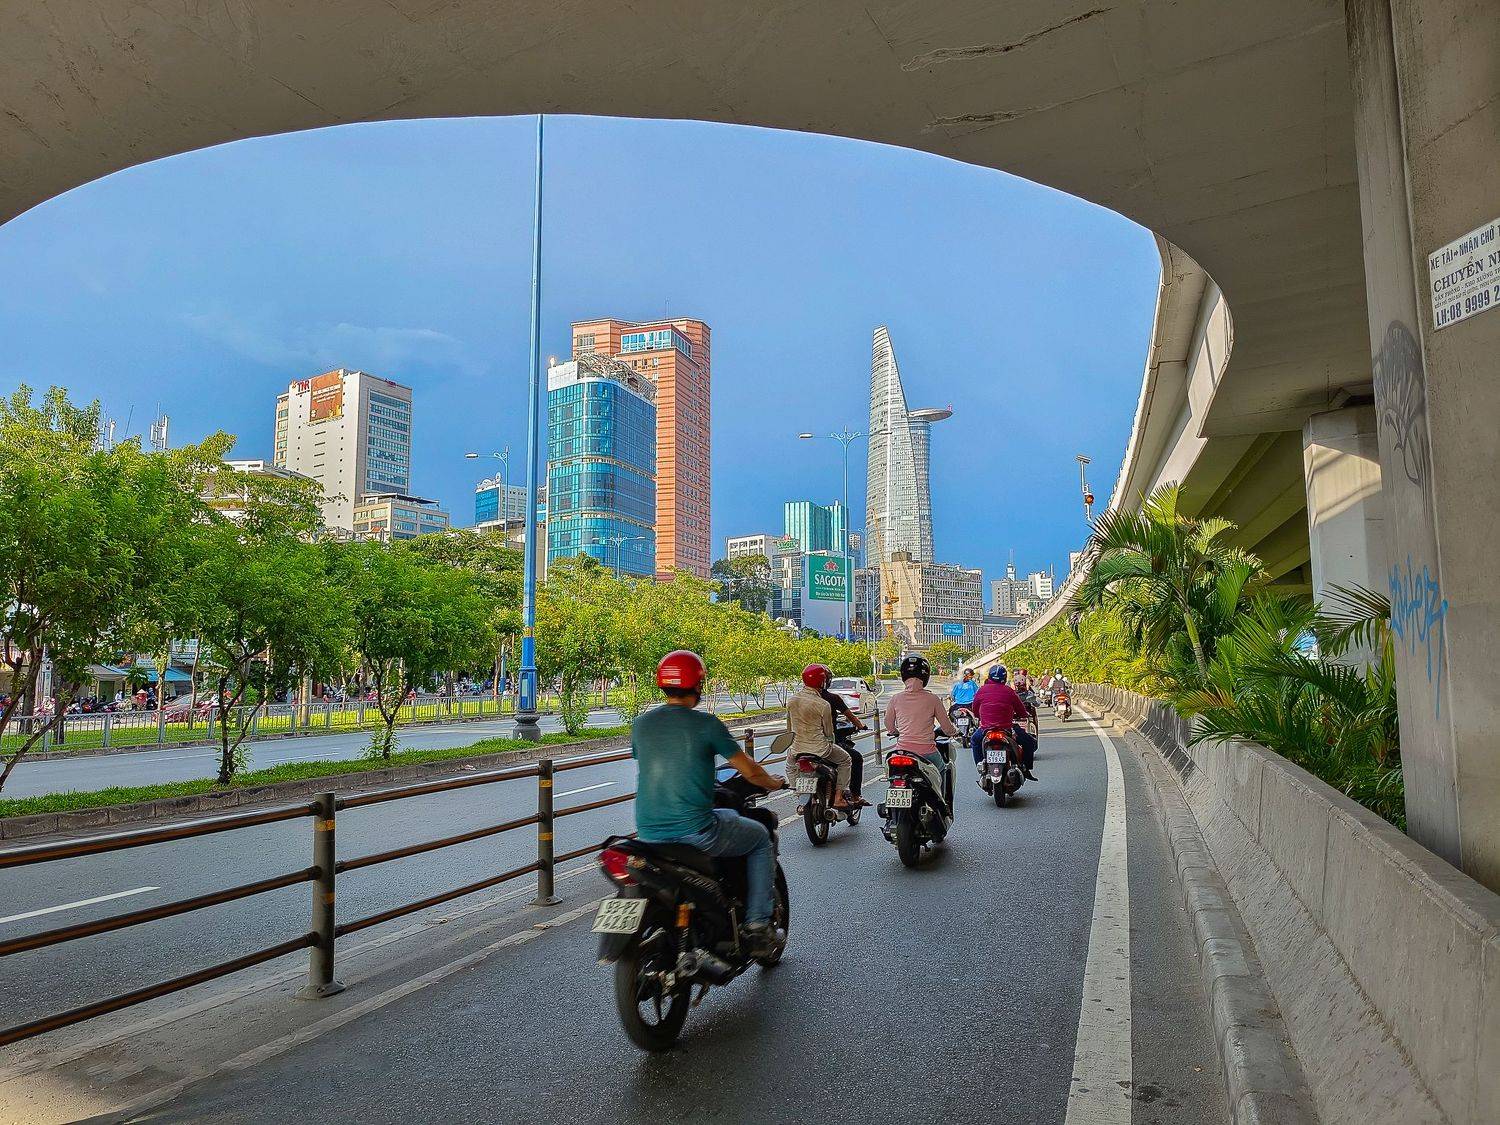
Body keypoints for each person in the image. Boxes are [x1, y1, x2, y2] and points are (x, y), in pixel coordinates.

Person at [632, 649, 787, 956]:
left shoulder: (641, 724)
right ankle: (758, 925)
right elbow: (749, 771)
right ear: (698, 684)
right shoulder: (706, 724)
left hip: (648, 835)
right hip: (696, 831)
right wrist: (774, 782)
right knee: (759, 838)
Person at [883, 654, 959, 802]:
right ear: (925, 676)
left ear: (903, 675)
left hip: (901, 751)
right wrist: (954, 732)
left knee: (893, 776)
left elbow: (888, 723)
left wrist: (894, 732)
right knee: (943, 769)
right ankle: (943, 804)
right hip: (927, 751)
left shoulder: (895, 698)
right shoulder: (933, 699)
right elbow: (946, 727)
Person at [787, 663, 859, 807]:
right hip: (820, 749)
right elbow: (828, 732)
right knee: (846, 760)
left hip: (797, 749)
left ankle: (799, 798)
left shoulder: (791, 701)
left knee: (790, 766)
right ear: (822, 682)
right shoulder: (823, 704)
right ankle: (838, 797)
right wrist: (830, 742)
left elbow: (789, 729)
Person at [970, 664, 1039, 780]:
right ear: (1005, 678)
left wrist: (980, 717)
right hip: (1006, 728)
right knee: (1029, 742)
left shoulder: (981, 690)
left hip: (986, 729)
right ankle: (1026, 768)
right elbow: (1021, 711)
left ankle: (980, 766)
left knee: (974, 740)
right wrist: (1023, 715)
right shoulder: (1009, 691)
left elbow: (975, 711)